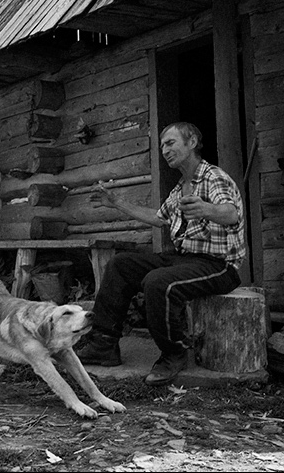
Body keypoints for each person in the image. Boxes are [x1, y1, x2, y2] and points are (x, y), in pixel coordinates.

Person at [75, 121, 246, 386]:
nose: (165, 150)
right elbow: (158, 218)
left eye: (170, 143)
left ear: (191, 143)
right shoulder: (179, 188)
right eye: (162, 146)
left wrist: (205, 209)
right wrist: (116, 202)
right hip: (187, 259)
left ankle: (174, 353)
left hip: (220, 265)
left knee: (158, 282)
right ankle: (104, 345)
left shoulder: (214, 177)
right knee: (121, 264)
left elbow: (231, 212)